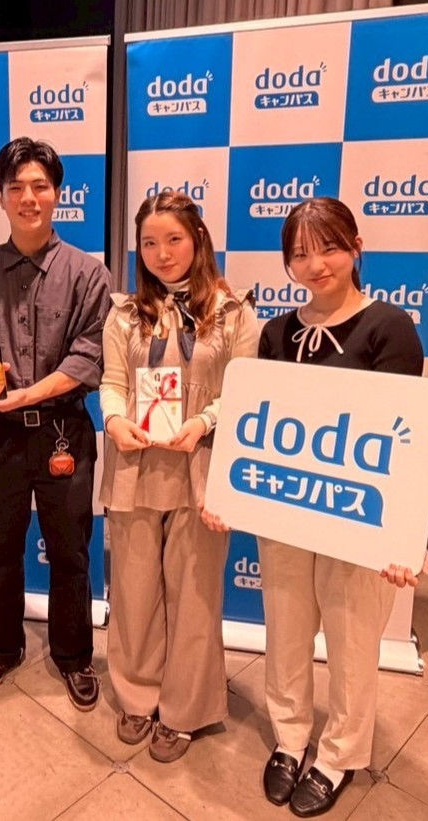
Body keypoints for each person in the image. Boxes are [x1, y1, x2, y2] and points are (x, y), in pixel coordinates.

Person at [201, 197, 428, 816]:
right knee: (285, 633)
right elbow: (255, 426)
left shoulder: (389, 327)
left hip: (356, 520)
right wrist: (226, 493)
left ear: (356, 247)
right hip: (287, 516)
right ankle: (290, 738)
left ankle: (338, 756)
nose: (316, 264)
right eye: (300, 254)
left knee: (354, 644)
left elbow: (402, 438)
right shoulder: (277, 333)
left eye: (329, 247)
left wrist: (404, 535)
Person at [0, 137, 111, 710]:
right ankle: (0, 646)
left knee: (70, 552)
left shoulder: (89, 274)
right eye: (15, 187)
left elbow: (90, 355)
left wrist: (29, 395)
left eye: (40, 185)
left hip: (64, 430)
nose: (28, 197)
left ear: (57, 194)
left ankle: (74, 655)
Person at [100, 191, 258, 762]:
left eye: (173, 240)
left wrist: (205, 421)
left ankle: (185, 709)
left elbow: (245, 392)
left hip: (203, 469)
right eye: (149, 243)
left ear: (198, 240)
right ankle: (137, 696)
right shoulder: (123, 313)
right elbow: (112, 382)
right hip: (135, 466)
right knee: (134, 592)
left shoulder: (235, 313)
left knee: (195, 596)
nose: (162, 253)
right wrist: (113, 420)